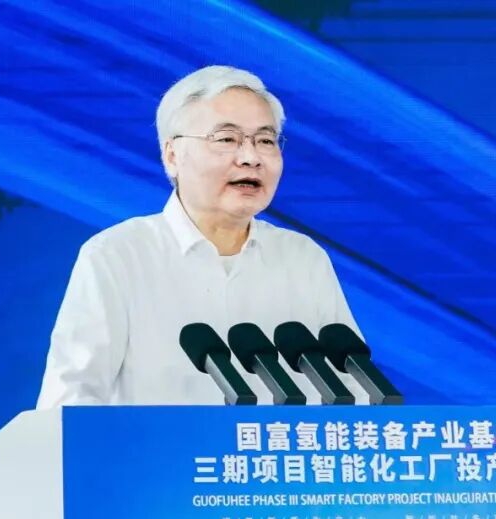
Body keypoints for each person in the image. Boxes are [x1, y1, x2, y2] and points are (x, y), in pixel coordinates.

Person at [35, 65, 363, 408]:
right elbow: (68, 402)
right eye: (226, 139)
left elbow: (354, 390)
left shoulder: (303, 258)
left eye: (265, 141)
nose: (250, 158)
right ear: (172, 156)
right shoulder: (118, 255)